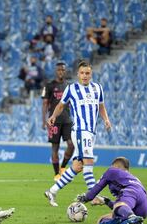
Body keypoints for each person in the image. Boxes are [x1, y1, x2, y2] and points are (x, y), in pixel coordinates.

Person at [44, 60, 112, 207]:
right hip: (81, 131)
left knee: (77, 166)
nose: (85, 76)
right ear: (78, 74)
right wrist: (54, 116)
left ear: (91, 74)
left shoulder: (97, 88)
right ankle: (93, 196)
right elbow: (61, 105)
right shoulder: (71, 88)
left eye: (87, 73)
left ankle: (52, 191)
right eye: (82, 73)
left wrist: (106, 119)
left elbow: (101, 106)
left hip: (91, 132)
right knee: (89, 163)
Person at [76, 157, 147, 224]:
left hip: (129, 193)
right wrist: (106, 201)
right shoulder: (134, 178)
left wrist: (85, 198)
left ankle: (131, 218)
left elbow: (97, 187)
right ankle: (132, 218)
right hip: (144, 206)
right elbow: (124, 206)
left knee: (106, 217)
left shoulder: (112, 171)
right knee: (103, 219)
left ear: (115, 166)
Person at [41, 62, 74, 181]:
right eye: (59, 70)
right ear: (56, 71)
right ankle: (56, 174)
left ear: (65, 71)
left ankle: (63, 167)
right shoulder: (49, 86)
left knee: (71, 144)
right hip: (54, 121)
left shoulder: (69, 86)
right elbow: (44, 104)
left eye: (63, 70)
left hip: (67, 120)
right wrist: (44, 120)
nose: (61, 72)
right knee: (55, 147)